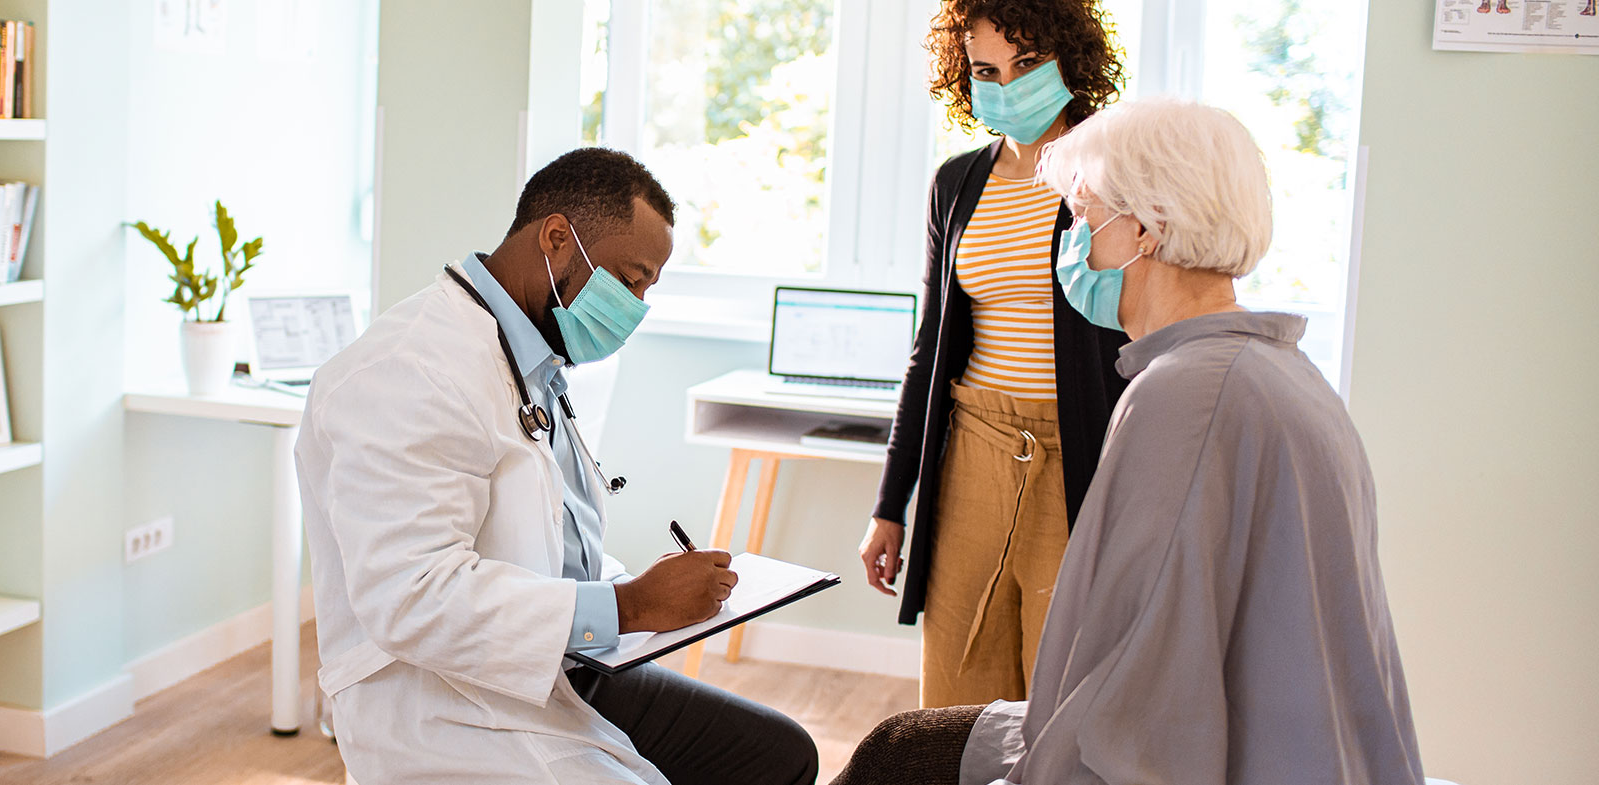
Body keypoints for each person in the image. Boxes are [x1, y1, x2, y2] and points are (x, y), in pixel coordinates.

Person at [832, 98, 1425, 785]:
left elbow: (1140, 698)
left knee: (896, 756)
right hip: (1283, 745)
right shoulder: (1282, 371)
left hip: (1208, 750)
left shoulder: (1185, 396)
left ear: (1144, 229)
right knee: (904, 739)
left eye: (1082, 217)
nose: (1072, 243)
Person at [293, 148, 818, 785]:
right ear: (558, 238)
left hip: (560, 664)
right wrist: (628, 607)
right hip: (442, 699)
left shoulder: (529, 355)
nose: (636, 307)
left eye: (648, 288)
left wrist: (640, 592)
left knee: (780, 755)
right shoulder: (411, 370)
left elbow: (547, 538)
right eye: (629, 280)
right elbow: (412, 598)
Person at [858, 0, 1130, 710]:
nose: (1007, 85)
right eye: (986, 70)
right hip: (972, 451)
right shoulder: (956, 185)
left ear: (1072, 58)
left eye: (1029, 63)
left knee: (1062, 686)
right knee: (957, 681)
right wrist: (891, 505)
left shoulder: (1115, 175)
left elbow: (1144, 335)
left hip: (1079, 458)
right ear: (963, 77)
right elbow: (930, 350)